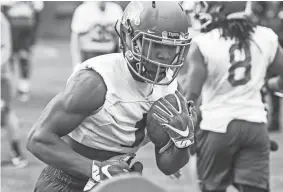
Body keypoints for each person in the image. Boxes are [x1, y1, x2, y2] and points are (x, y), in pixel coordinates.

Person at [26, 2, 194, 192]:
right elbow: (38, 139)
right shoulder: (95, 82)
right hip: (68, 182)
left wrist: (182, 142)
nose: (165, 55)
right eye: (155, 44)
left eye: (172, 47)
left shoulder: (170, 88)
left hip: (115, 182)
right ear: (130, 40)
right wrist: (95, 169)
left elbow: (169, 167)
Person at [182, 1, 283, 192]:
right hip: (255, 125)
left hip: (216, 127)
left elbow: (190, 96)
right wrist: (271, 85)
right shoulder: (265, 36)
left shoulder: (204, 42)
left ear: (220, 9)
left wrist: (185, 135)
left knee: (212, 188)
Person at [1, 11, 28, 168]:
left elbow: (5, 49)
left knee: (4, 111)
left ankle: (17, 151)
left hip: (1, 77)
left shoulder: (1, 21)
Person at [2, 1, 43, 102]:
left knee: (24, 56)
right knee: (7, 57)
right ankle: (8, 86)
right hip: (10, 25)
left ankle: (23, 87)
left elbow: (38, 10)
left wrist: (34, 35)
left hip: (26, 27)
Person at [70, 1, 123, 68]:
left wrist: (121, 59)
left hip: (110, 55)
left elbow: (121, 38)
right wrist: (77, 62)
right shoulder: (83, 10)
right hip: (89, 55)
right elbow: (75, 40)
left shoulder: (115, 9)